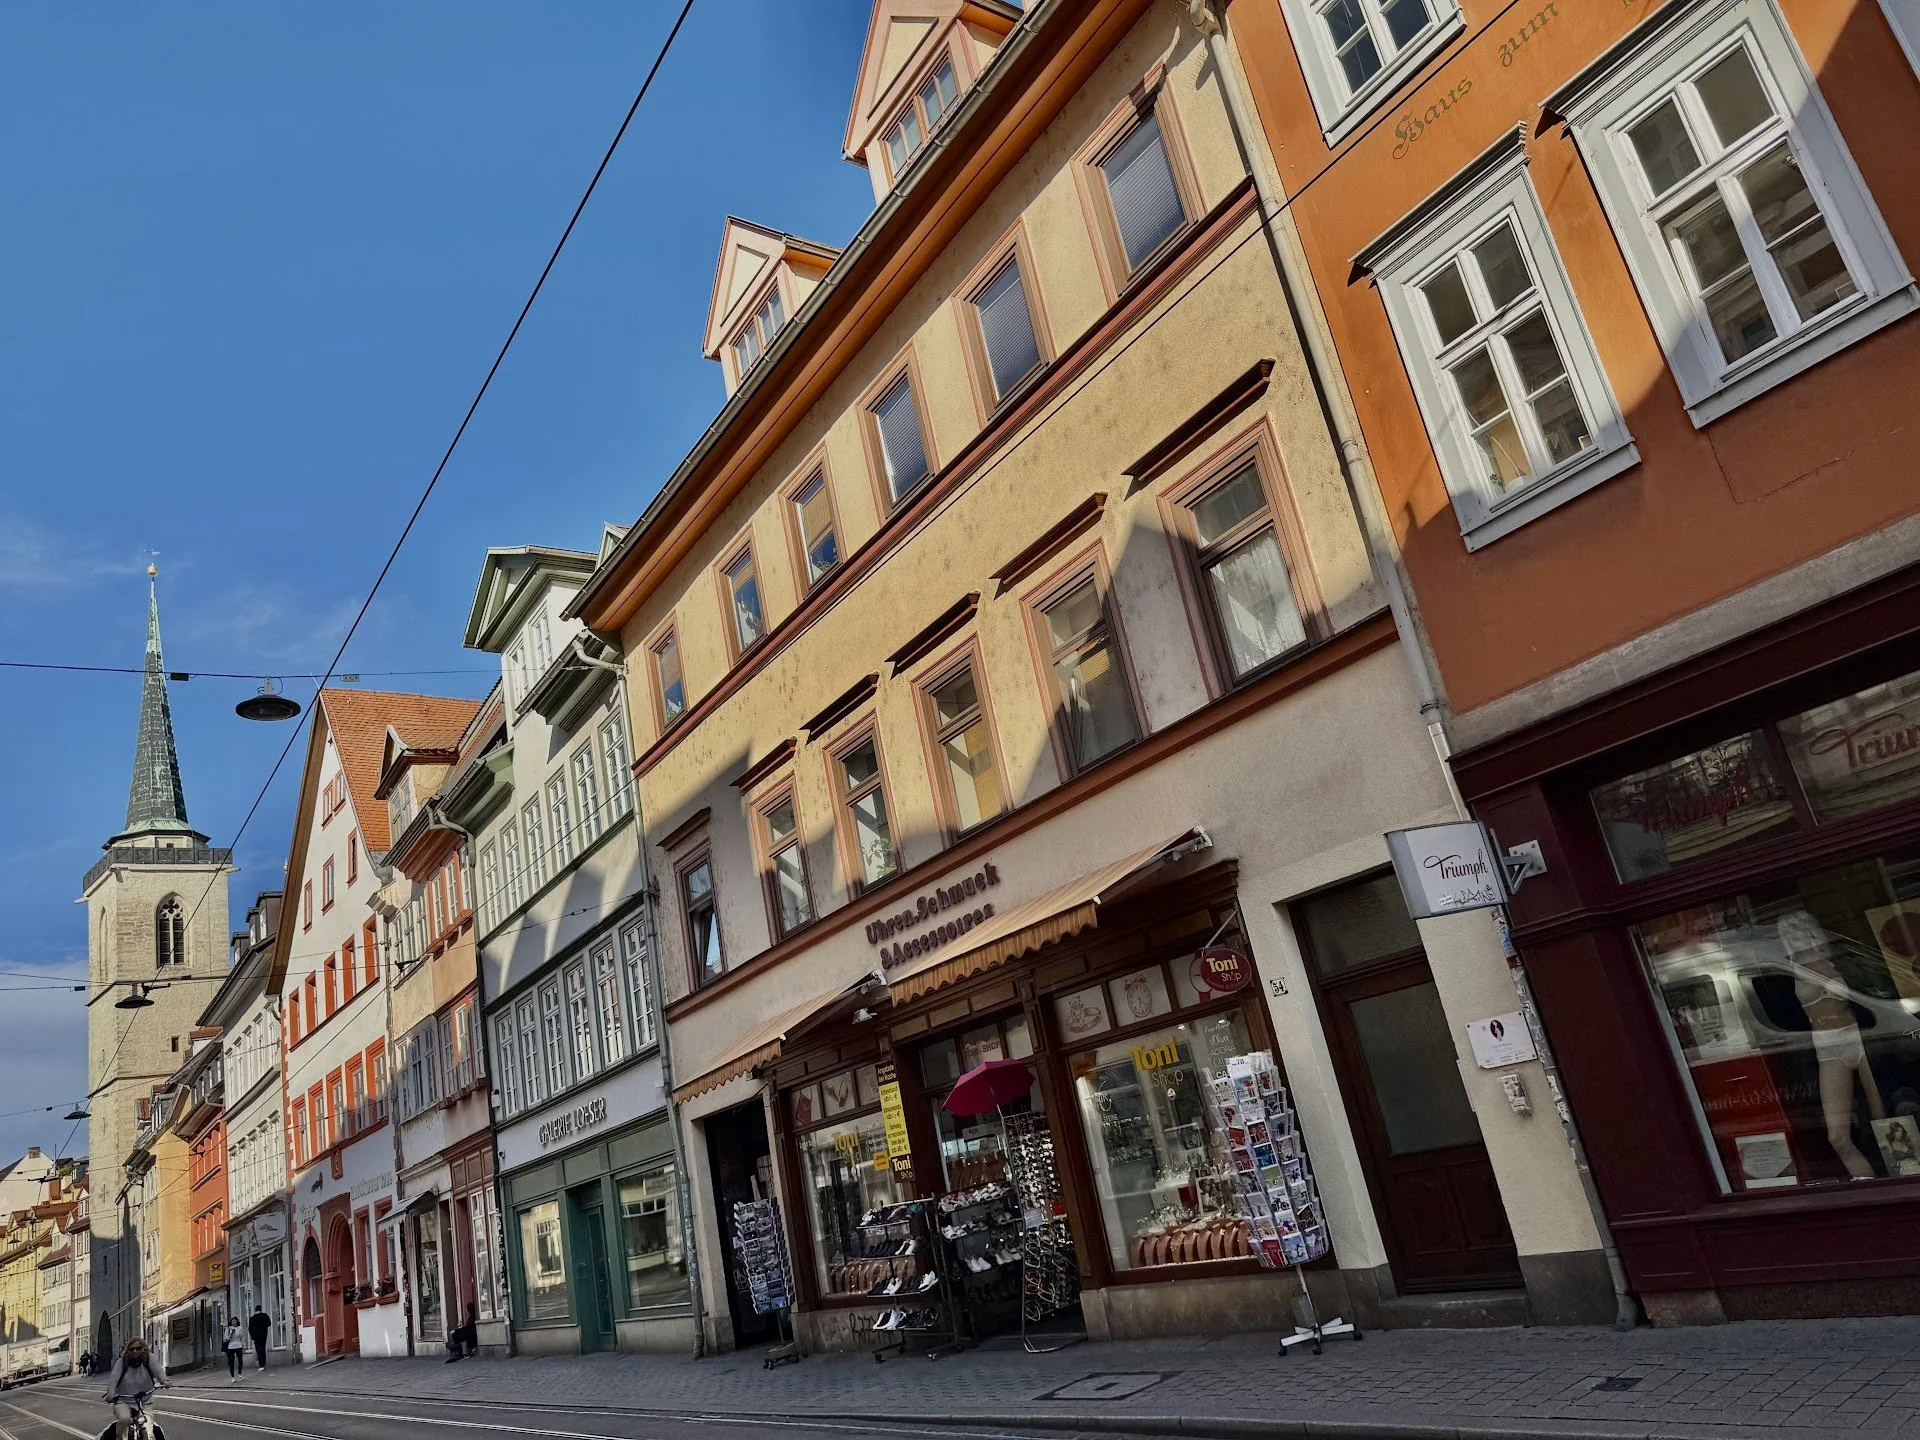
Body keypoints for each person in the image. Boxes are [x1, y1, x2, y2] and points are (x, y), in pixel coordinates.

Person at [101, 1336, 165, 1440]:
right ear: (127, 1350)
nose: (135, 1351)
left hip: (145, 1401)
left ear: (143, 1348)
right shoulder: (121, 1363)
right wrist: (110, 1394)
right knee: (124, 1419)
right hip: (124, 1401)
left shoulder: (149, 1358)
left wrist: (164, 1380)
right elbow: (113, 1379)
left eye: (138, 1348)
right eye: (131, 1349)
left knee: (148, 1427)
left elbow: (158, 1370)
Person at [247, 1306, 272, 1371]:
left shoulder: (252, 1318)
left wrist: (252, 1336)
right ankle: (263, 1363)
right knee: (263, 1348)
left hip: (256, 1336)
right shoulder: (265, 1315)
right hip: (263, 1334)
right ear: (261, 1309)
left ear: (255, 1310)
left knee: (258, 1349)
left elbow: (250, 1328)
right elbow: (269, 1324)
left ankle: (261, 1364)